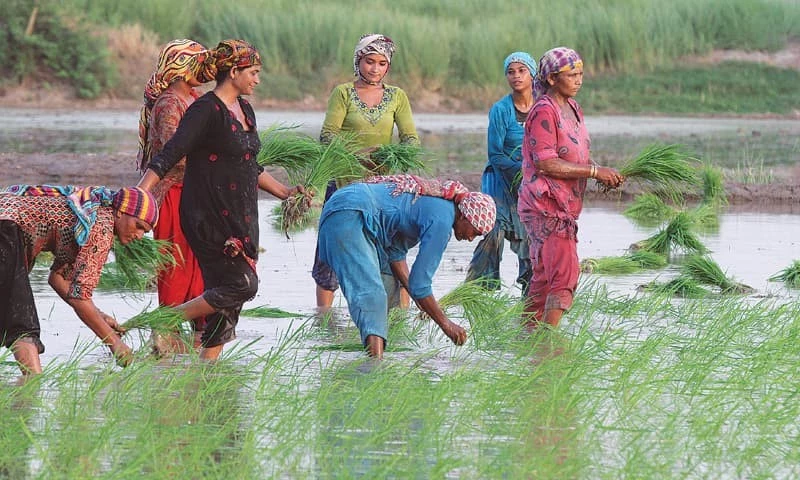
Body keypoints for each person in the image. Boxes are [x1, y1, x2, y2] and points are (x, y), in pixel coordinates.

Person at [138, 39, 310, 361]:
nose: (257, 80)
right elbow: (169, 154)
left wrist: (285, 192)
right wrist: (139, 193)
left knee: (227, 305)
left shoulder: (244, 109)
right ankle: (167, 320)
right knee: (243, 284)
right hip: (208, 216)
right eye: (254, 73)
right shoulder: (204, 110)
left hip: (241, 215)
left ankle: (207, 376)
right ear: (234, 71)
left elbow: (249, 165)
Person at [316, 174, 496, 359]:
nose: (471, 238)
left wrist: (422, 302)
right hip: (349, 213)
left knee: (390, 287)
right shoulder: (441, 221)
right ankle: (375, 368)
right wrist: (446, 324)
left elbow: (395, 253)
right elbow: (420, 285)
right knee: (373, 295)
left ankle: (378, 353)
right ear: (464, 217)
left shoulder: (435, 207)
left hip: (348, 206)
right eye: (475, 231)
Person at [0, 185, 159, 375]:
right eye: (138, 226)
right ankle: (32, 387)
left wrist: (99, 315)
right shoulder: (100, 228)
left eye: (145, 231)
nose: (139, 235)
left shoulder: (87, 218)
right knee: (23, 324)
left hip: (7, 221)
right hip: (6, 226)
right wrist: (115, 343)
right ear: (121, 212)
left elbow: (59, 279)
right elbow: (79, 297)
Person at [518, 47, 624, 329]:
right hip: (546, 207)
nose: (578, 80)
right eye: (571, 74)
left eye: (581, 74)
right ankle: (549, 344)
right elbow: (546, 163)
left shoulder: (573, 108)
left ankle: (525, 340)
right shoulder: (544, 110)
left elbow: (575, 153)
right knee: (564, 277)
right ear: (552, 78)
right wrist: (593, 172)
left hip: (565, 206)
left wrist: (600, 172)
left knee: (543, 279)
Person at [314, 33, 420, 310]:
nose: (375, 68)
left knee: (391, 250)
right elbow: (327, 136)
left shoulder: (397, 96)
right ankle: (323, 319)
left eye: (381, 63)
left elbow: (410, 137)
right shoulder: (343, 93)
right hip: (343, 183)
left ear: (388, 66)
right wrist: (356, 155)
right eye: (369, 61)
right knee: (332, 251)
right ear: (358, 61)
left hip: (382, 187)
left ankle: (399, 316)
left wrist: (397, 155)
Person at [137, 39, 215, 353]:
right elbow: (173, 153)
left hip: (193, 192)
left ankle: (196, 332)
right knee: (176, 266)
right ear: (182, 67)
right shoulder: (170, 103)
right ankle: (165, 330)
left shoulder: (193, 98)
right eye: (199, 64)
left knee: (198, 264)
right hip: (172, 194)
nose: (207, 71)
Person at [466, 51, 536, 293]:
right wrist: (521, 171)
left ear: (532, 74)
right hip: (500, 177)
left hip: (531, 182)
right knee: (492, 230)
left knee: (530, 232)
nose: (516, 76)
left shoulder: (543, 107)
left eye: (521, 70)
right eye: (510, 71)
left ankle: (530, 291)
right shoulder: (500, 110)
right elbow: (495, 154)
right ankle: (477, 291)